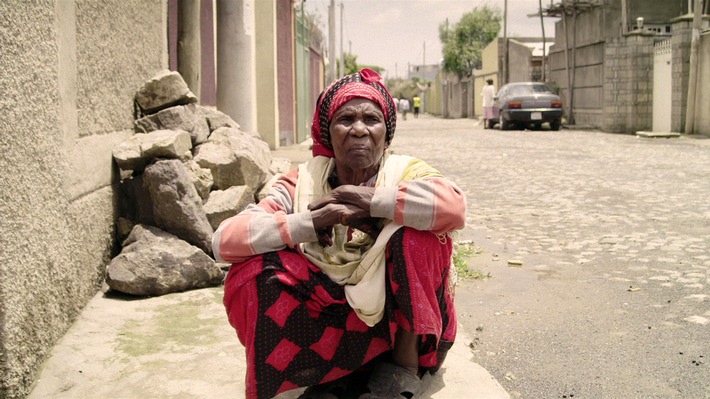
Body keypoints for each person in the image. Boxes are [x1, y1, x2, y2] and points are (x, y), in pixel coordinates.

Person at [213, 68, 466, 399]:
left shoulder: (405, 172)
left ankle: (404, 367)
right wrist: (313, 220)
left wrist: (368, 202)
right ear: (328, 134)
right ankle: (319, 371)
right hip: (332, 324)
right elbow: (223, 242)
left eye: (371, 120)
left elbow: (454, 208)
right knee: (252, 271)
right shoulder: (302, 181)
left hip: (395, 326)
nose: (359, 129)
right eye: (346, 119)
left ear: (386, 135)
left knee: (418, 237)